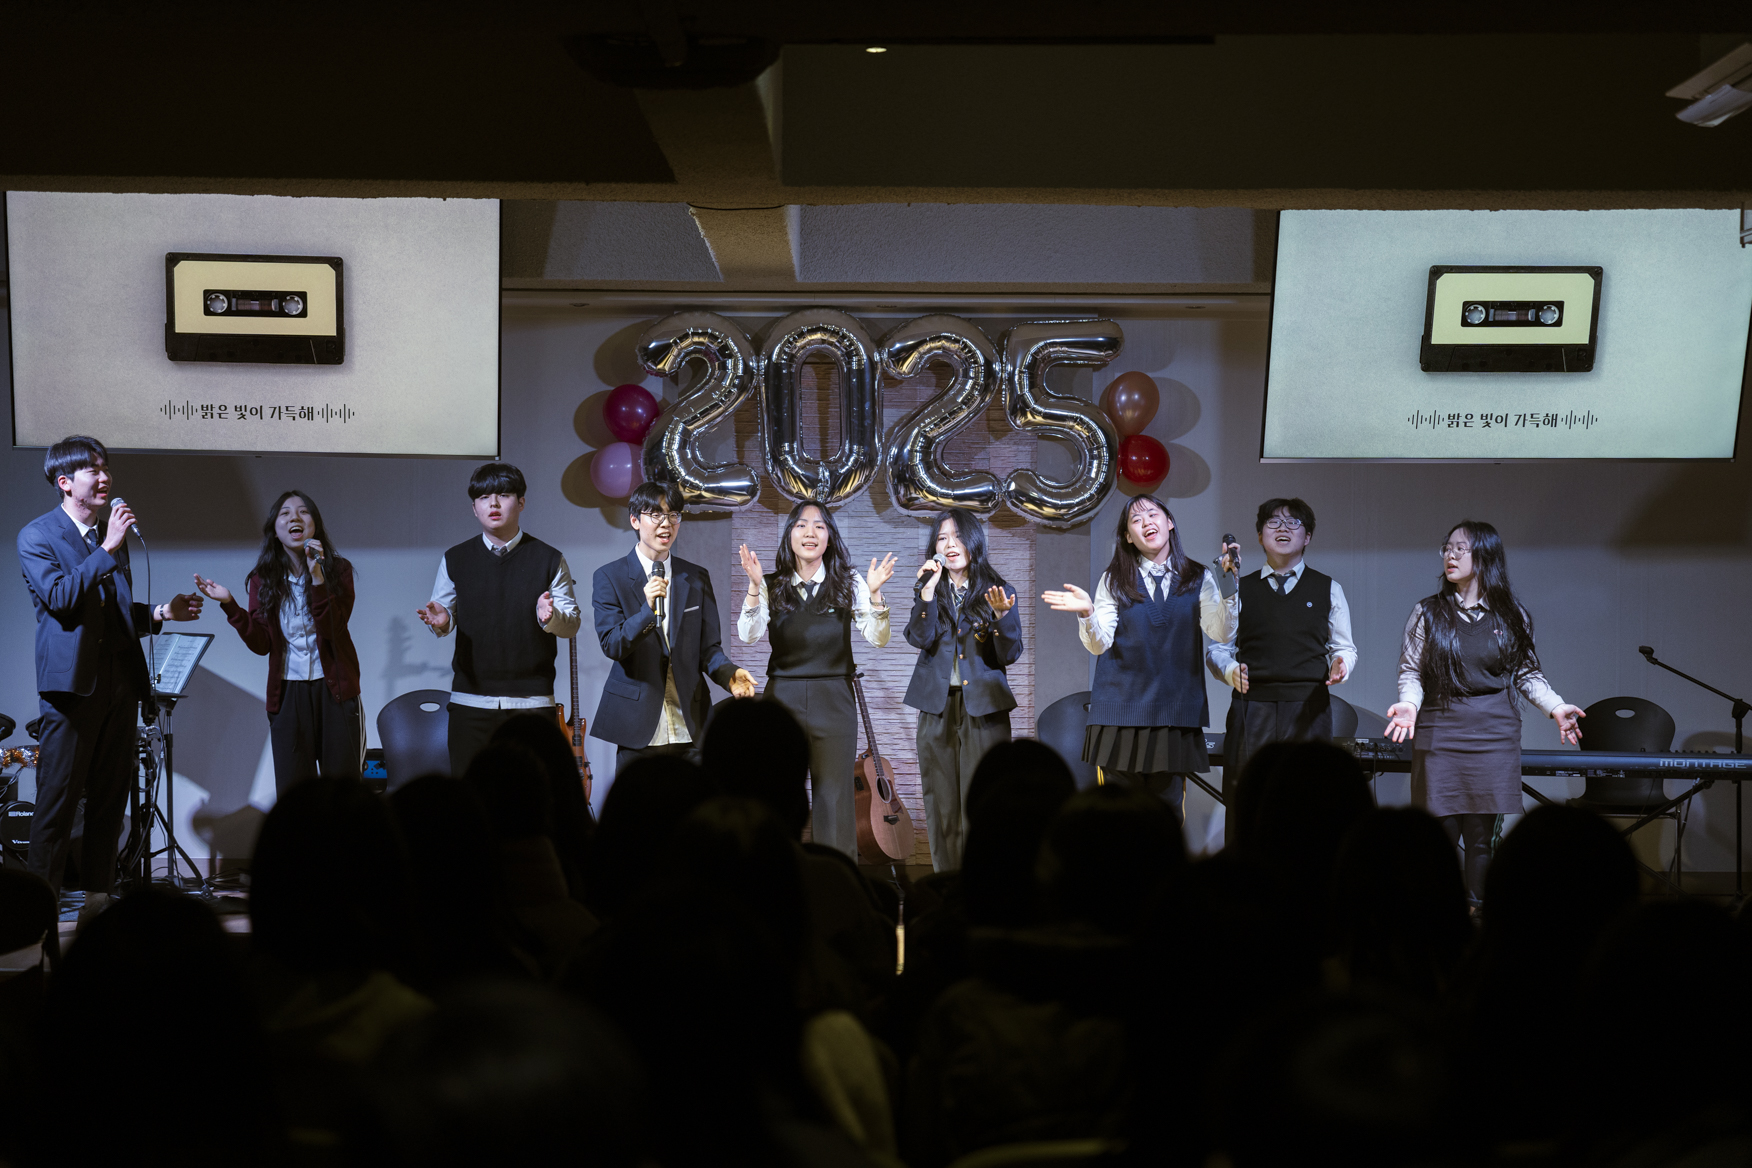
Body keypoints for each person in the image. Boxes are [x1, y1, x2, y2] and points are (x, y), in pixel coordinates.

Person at [17, 436, 202, 914]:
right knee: (57, 804)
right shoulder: (38, 536)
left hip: (120, 684)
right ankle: (37, 913)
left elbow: (112, 612)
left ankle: (97, 904)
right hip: (71, 689)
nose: (104, 478)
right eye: (92, 470)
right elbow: (61, 599)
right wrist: (107, 547)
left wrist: (162, 612)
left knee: (109, 802)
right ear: (65, 482)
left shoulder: (108, 540)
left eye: (105, 468)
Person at [1385, 519, 1585, 908]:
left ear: (1485, 556)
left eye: (1460, 548)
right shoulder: (1427, 612)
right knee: (1437, 835)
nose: (1450, 555)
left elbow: (1527, 673)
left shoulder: (1512, 615)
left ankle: (1479, 911)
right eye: (1447, 548)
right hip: (1441, 731)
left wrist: (1557, 707)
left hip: (1494, 735)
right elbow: (1411, 670)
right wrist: (1409, 704)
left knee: (1481, 838)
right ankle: (1436, 913)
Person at [1042, 494, 1237, 818]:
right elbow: (1099, 644)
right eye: (1136, 519)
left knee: (1166, 816)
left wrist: (1228, 584)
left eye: (1153, 514)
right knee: (1118, 818)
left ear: (1169, 522)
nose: (1146, 522)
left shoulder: (1198, 576)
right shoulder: (1114, 579)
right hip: (1120, 714)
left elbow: (1221, 633)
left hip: (1174, 716)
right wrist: (1087, 613)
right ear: (1128, 537)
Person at [737, 500, 896, 861]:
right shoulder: (770, 583)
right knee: (778, 794)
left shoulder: (849, 582)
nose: (810, 532)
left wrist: (875, 595)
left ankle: (836, 880)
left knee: (834, 796)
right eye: (801, 525)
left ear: (829, 538)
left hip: (834, 698)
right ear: (789, 535)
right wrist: (753, 587)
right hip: (782, 699)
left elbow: (878, 638)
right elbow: (749, 634)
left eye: (819, 526)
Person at [416, 462, 581, 778]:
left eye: (503, 495)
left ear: (521, 503)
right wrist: (442, 621)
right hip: (470, 703)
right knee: (471, 798)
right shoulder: (455, 558)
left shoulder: (549, 558)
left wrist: (550, 617)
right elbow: (443, 615)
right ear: (473, 508)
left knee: (533, 796)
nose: (493, 504)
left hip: (531, 705)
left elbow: (571, 623)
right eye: (483, 497)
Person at [194, 490, 362, 795]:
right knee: (294, 794)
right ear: (275, 529)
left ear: (315, 525)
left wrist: (317, 576)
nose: (295, 517)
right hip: (287, 694)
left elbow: (331, 629)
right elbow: (261, 644)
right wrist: (230, 604)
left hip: (335, 692)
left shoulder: (338, 570)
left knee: (342, 793)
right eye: (285, 513)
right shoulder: (263, 579)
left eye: (303, 512)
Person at [589, 481, 755, 771]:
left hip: (690, 724)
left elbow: (709, 649)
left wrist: (729, 675)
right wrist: (646, 611)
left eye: (673, 514)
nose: (666, 523)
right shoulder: (609, 577)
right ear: (634, 520)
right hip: (637, 725)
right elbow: (612, 645)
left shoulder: (696, 577)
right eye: (656, 514)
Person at [1206, 497, 1358, 807]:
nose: (1283, 528)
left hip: (1309, 707)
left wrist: (1341, 663)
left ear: (1308, 537)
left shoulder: (1329, 588)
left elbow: (1344, 647)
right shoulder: (1238, 586)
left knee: (1309, 801)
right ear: (1260, 535)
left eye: (1293, 522)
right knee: (1248, 798)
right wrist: (1231, 671)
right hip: (1252, 707)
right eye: (1273, 522)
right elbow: (1218, 646)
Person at [903, 508, 1021, 871]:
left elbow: (1010, 654)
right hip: (936, 706)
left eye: (957, 536)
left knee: (985, 799)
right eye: (942, 538)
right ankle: (946, 885)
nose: (950, 544)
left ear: (974, 541)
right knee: (941, 802)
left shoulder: (999, 591)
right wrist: (926, 593)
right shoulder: (929, 591)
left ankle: (986, 884)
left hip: (984, 707)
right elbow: (918, 638)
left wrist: (1001, 618)